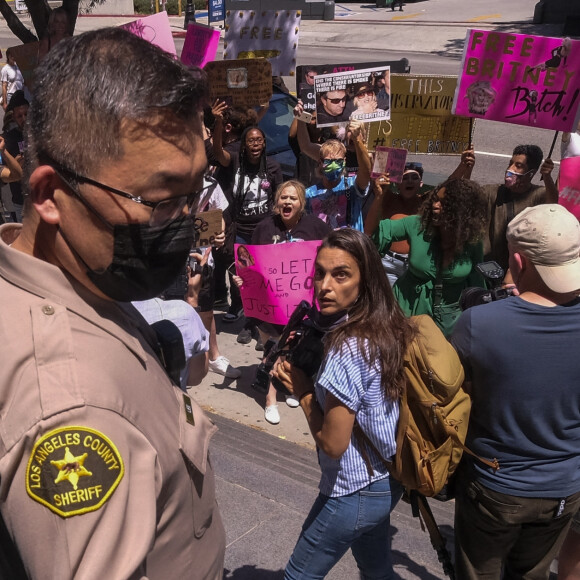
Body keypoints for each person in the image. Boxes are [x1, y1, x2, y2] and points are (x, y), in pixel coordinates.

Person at [0, 27, 225, 578]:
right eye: (160, 200)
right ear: (51, 196)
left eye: (194, 192)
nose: (186, 223)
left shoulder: (75, 274)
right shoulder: (75, 410)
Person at [272, 228, 415, 579]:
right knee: (376, 569)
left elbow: (334, 444)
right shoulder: (384, 327)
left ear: (365, 282)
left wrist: (303, 390)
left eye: (341, 275)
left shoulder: (348, 348)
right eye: (319, 272)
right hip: (386, 480)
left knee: (297, 576)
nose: (324, 286)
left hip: (353, 488)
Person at [450, 204, 580, 580]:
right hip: (566, 489)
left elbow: (454, 391)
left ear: (518, 262)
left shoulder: (480, 323)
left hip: (496, 488)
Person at [243, 180, 331, 425]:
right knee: (273, 349)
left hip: (302, 305)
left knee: (295, 348)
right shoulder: (263, 228)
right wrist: (243, 282)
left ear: (301, 203)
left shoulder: (316, 228)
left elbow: (328, 258)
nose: (288, 202)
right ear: (276, 202)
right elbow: (250, 263)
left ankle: (291, 384)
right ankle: (270, 398)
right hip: (270, 304)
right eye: (283, 198)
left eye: (293, 198)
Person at [368, 178, 488, 337]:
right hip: (406, 316)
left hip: (449, 325)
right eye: (435, 200)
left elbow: (477, 285)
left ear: (462, 210)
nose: (435, 206)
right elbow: (372, 235)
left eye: (444, 203)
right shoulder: (416, 224)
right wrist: (378, 198)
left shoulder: (472, 241)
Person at [456, 144, 558, 278]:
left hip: (516, 276)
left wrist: (547, 177)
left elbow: (552, 205)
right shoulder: (492, 192)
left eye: (518, 166)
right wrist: (466, 168)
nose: (510, 169)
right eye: (510, 163)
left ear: (531, 173)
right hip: (485, 270)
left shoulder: (537, 195)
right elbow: (465, 197)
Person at [364, 161, 425, 286]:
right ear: (397, 184)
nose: (409, 181)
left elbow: (450, 187)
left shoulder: (427, 203)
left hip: (415, 267)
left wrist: (464, 166)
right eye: (404, 178)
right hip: (388, 265)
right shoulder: (388, 199)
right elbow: (373, 173)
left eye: (414, 177)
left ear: (421, 183)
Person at [3, 90, 29, 222]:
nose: (24, 119)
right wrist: (14, 165)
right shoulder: (8, 139)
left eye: (26, 114)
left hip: (42, 196)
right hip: (21, 201)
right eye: (19, 116)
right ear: (13, 118)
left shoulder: (41, 134)